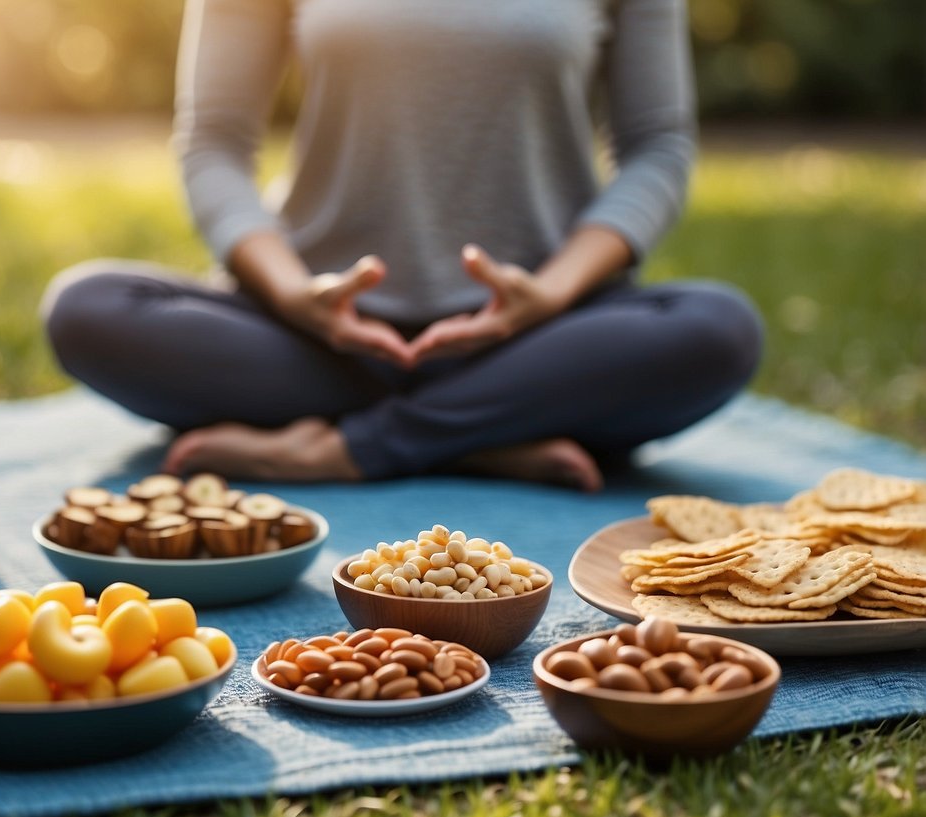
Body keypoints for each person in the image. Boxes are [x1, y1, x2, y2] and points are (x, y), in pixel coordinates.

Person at [41, 0, 763, 491]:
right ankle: (486, 429)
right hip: (316, 332)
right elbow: (214, 143)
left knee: (718, 330)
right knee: (87, 308)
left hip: (542, 331)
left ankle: (357, 445)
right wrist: (291, 291)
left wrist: (554, 291)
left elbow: (656, 147)